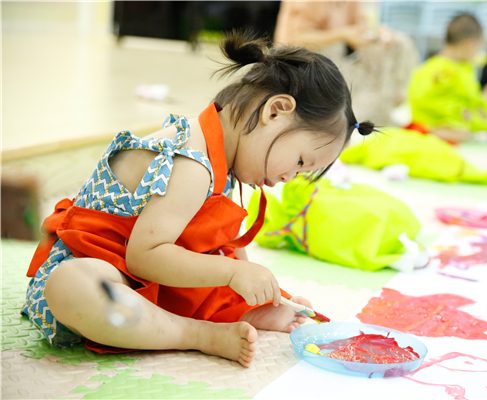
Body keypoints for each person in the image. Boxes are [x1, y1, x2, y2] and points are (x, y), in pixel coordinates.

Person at [21, 31, 375, 367]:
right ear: (275, 111)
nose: (288, 178)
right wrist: (235, 272)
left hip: (149, 280)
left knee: (222, 273)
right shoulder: (192, 163)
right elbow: (144, 257)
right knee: (74, 285)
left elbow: (219, 245)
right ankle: (195, 333)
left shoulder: (226, 157)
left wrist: (261, 293)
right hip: (106, 266)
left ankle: (221, 314)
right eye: (299, 162)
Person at [274, 1, 419, 126]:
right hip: (300, 63)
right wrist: (343, 34)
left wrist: (378, 34)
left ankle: (388, 102)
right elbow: (295, 39)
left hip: (336, 59)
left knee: (400, 42)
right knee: (336, 49)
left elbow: (361, 26)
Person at [407, 14, 487, 143]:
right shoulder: (451, 71)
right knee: (464, 133)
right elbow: (465, 108)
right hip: (434, 127)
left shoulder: (427, 68)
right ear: (469, 44)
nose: (478, 53)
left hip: (423, 123)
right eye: (478, 47)